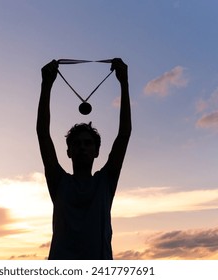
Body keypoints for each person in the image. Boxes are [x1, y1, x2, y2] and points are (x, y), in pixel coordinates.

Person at [36, 58, 131, 260]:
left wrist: (124, 83)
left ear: (97, 152)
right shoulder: (59, 181)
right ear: (69, 151)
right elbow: (42, 133)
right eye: (77, 144)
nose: (82, 147)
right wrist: (46, 85)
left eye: (88, 143)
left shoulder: (105, 181)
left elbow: (124, 134)